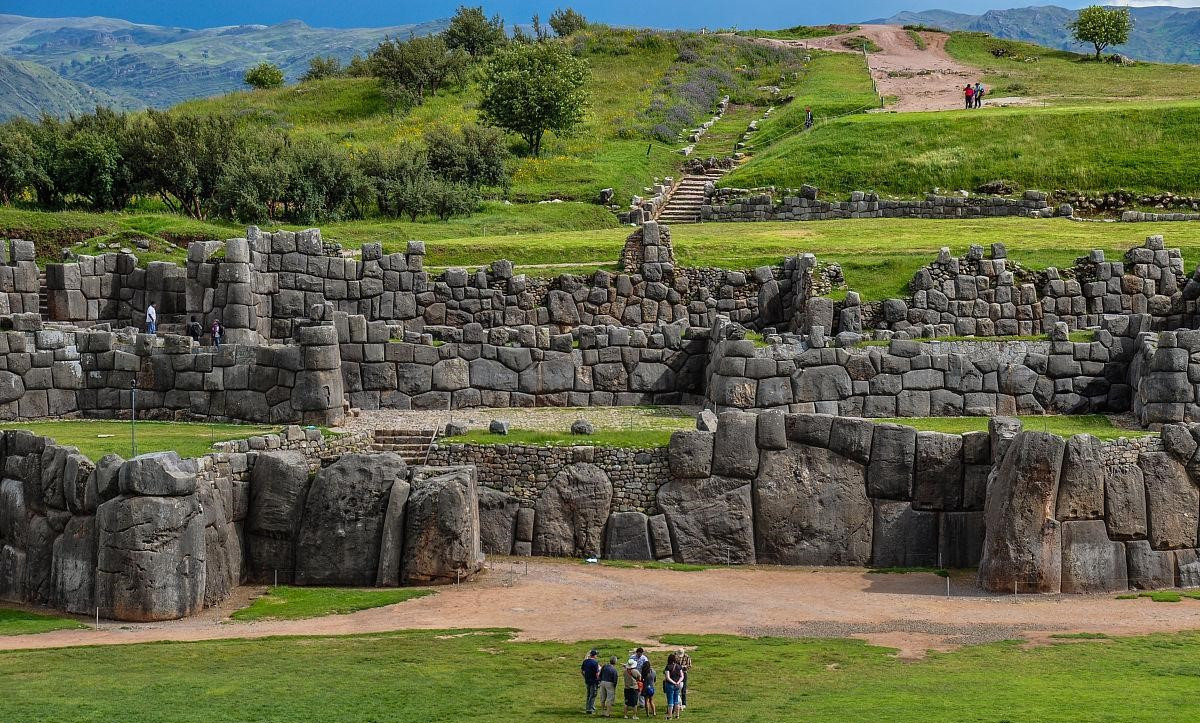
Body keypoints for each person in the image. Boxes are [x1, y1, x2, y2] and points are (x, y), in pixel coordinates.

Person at [663, 654, 684, 720]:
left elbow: (667, 677)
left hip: (670, 685)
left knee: (670, 701)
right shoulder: (679, 666)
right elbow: (682, 676)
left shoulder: (668, 667)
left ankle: (669, 716)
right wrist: (677, 682)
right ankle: (677, 715)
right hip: (677, 685)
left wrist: (673, 682)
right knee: (676, 700)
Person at [582, 648, 601, 714]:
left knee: (588, 694)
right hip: (593, 681)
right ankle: (589, 709)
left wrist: (585, 677)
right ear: (594, 655)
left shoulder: (585, 661)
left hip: (587, 680)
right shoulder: (595, 663)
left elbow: (582, 671)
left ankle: (589, 706)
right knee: (593, 695)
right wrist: (599, 680)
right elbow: (597, 674)